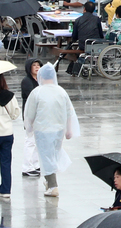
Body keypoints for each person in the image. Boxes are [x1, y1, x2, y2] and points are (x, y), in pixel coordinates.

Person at [23, 66, 79, 197]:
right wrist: (69, 130)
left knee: (46, 157)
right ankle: (49, 183)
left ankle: (53, 186)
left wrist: (29, 127)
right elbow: (69, 112)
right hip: (59, 130)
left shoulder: (37, 92)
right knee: (52, 154)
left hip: (43, 130)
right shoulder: (61, 91)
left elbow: (30, 114)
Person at [19, 59, 42, 177]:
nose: (37, 67)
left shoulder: (40, 80)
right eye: (34, 65)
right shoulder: (26, 81)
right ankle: (27, 166)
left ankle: (35, 164)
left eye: (38, 65)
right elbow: (32, 96)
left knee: (37, 141)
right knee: (30, 141)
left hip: (39, 115)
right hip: (30, 115)